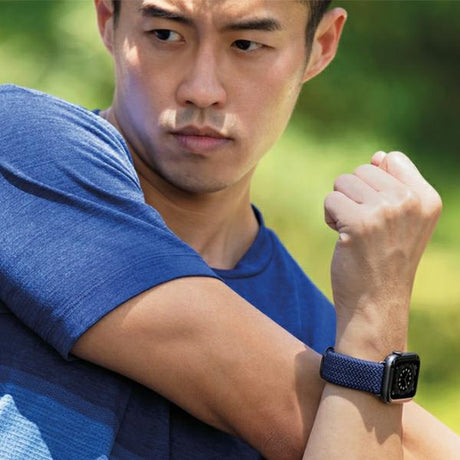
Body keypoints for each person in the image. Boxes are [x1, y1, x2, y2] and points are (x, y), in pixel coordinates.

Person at [0, 0, 459, 458]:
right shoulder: (22, 151)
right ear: (108, 21)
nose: (202, 91)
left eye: (246, 44)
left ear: (321, 45)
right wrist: (375, 319)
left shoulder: (320, 330)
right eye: (165, 35)